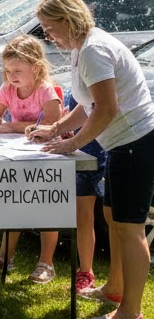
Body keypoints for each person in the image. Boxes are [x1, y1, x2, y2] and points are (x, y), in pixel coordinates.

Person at [30, 0, 154, 319]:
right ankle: (114, 290)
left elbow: (108, 108)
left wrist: (74, 144)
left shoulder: (94, 51)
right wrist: (56, 128)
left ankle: (131, 314)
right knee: (113, 218)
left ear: (68, 22)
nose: (47, 35)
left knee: (130, 229)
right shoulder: (81, 48)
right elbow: (86, 106)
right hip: (121, 144)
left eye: (49, 27)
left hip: (135, 143)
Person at [0, 35, 62, 282]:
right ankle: (4, 257)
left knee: (48, 208)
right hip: (18, 156)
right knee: (13, 203)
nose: (11, 75)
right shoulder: (8, 88)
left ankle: (46, 263)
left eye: (17, 70)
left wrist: (11, 127)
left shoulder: (45, 90)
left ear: (35, 67)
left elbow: (52, 123)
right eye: (7, 70)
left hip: (47, 158)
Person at [61, 89, 109, 296]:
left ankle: (96, 275)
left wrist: (74, 139)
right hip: (78, 154)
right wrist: (61, 127)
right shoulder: (77, 75)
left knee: (103, 219)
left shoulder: (96, 66)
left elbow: (101, 111)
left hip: (100, 154)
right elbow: (80, 109)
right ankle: (85, 271)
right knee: (82, 216)